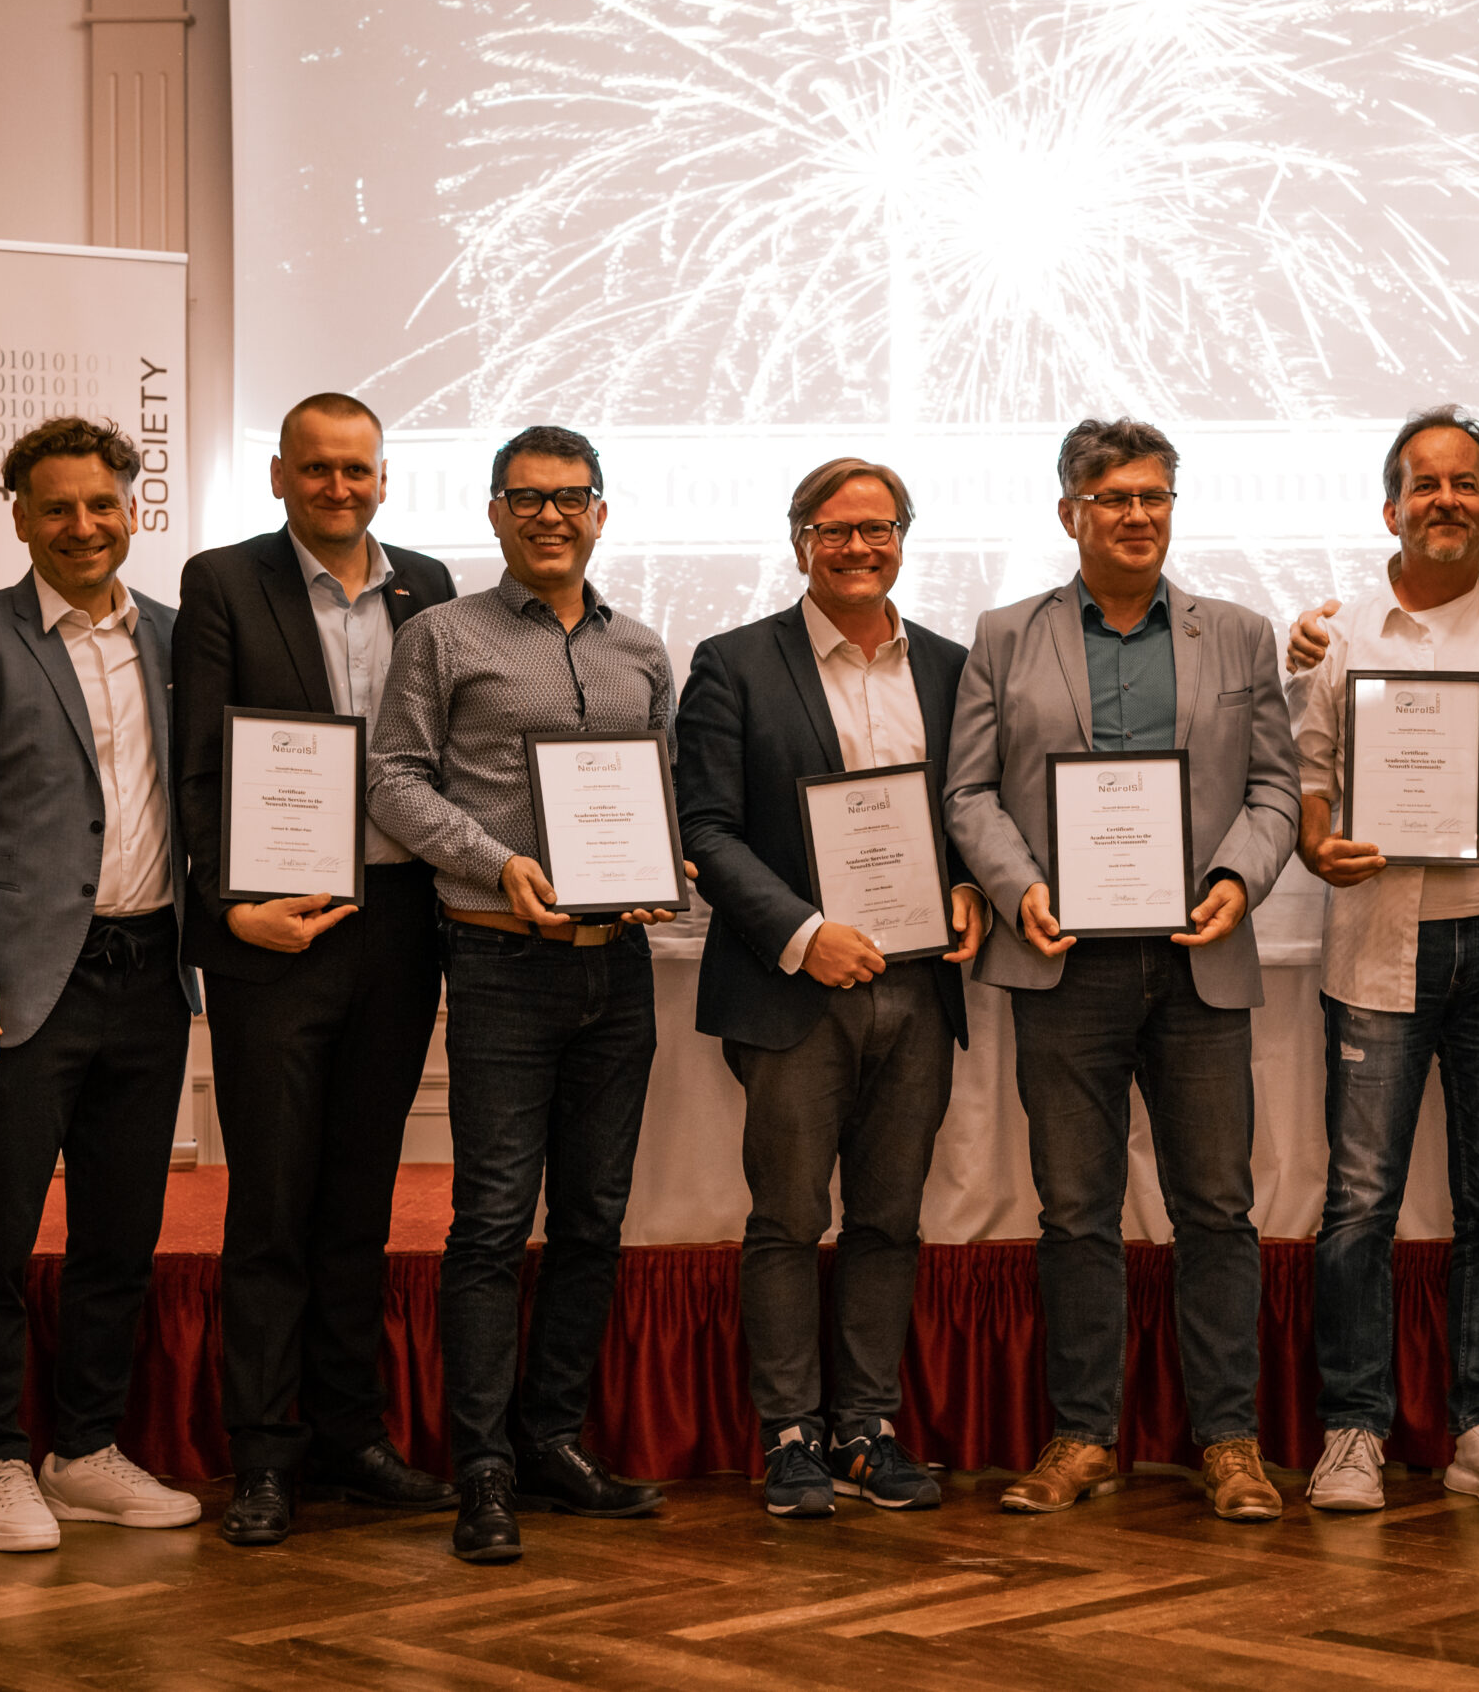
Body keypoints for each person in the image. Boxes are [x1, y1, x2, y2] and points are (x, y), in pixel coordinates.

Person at [943, 418, 1300, 1522]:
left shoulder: (1238, 635)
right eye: (1112, 498)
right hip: (1064, 965)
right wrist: (1019, 889)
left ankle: (1229, 1441)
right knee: (1076, 1213)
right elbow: (968, 792)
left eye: (1153, 496)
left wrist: (1238, 878)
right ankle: (1083, 1437)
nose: (1136, 515)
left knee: (1217, 1210)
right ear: (1070, 513)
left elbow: (1275, 790)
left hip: (1199, 961)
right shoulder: (1005, 636)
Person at [369, 424, 688, 1563]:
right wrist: (493, 861)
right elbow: (392, 777)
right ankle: (484, 1469)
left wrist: (661, 867)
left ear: (600, 512)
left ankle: (552, 1441)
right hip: (500, 960)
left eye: (570, 496)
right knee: (493, 1223)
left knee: (594, 1218)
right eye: (526, 496)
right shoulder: (441, 635)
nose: (550, 514)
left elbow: (660, 789)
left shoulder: (642, 649)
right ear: (496, 512)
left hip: (618, 968)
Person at [0, 416, 204, 1553]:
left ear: (133, 510)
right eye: (57, 507)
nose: (83, 525)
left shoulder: (178, 638)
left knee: (120, 1238)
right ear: (18, 517)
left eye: (101, 503)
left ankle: (84, 1452)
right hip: (19, 991)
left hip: (152, 977)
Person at [171, 392, 460, 1546]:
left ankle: (350, 1438)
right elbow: (197, 768)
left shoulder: (428, 587)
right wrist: (229, 908)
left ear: (383, 479)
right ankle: (265, 1456)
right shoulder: (223, 582)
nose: (339, 487)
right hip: (276, 930)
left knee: (357, 1203)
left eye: (358, 469)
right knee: (271, 1206)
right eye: (317, 468)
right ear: (280, 476)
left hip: (400, 924)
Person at [675, 458, 987, 1519]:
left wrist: (967, 889)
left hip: (919, 988)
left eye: (878, 527)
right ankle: (790, 1436)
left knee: (888, 1220)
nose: (859, 546)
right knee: (788, 1216)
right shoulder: (732, 663)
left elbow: (968, 810)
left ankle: (865, 1428)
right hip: (793, 991)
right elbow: (706, 827)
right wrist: (803, 935)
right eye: (834, 528)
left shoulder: (949, 666)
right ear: (798, 539)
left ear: (904, 535)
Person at [1287, 408, 1479, 1513]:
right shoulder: (1340, 634)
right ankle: (1352, 1430)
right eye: (1425, 484)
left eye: (1466, 484)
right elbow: (1310, 776)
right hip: (1381, 943)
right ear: (1391, 509)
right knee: (1359, 1203)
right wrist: (1318, 845)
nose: (1446, 500)